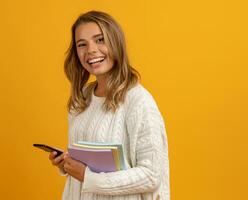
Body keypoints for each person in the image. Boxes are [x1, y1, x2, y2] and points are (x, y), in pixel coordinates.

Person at [49, 10, 170, 200]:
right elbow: (88, 163)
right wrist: (67, 164)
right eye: (82, 44)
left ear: (116, 43)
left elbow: (151, 175)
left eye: (99, 40)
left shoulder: (139, 102)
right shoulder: (81, 100)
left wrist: (88, 177)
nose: (90, 50)